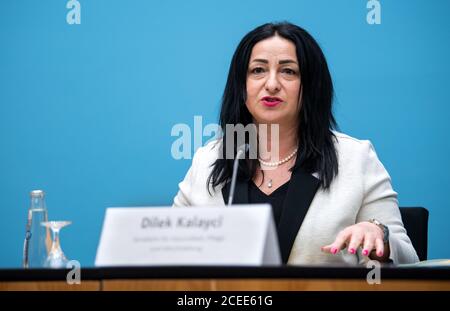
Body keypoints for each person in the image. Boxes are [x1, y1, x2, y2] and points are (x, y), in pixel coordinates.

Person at [173, 22, 419, 265]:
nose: (271, 84)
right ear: (241, 85)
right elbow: (168, 250)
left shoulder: (356, 158)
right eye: (258, 70)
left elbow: (409, 259)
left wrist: (380, 237)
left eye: (288, 71)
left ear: (311, 85)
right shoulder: (208, 159)